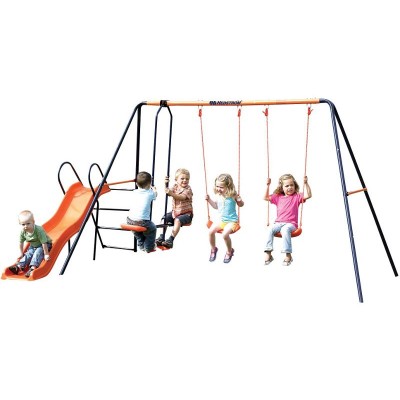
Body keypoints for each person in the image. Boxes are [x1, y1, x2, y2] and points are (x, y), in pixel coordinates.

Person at [263, 174, 312, 266]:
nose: (290, 187)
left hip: (291, 224)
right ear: (282, 187)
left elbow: (309, 195)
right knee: (270, 229)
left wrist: (306, 183)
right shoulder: (277, 197)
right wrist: (267, 185)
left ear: (295, 185)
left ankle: (288, 255)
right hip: (278, 223)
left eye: (292, 185)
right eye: (287, 186)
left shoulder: (297, 196)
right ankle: (268, 252)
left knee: (285, 230)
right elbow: (265, 197)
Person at [205, 173, 244, 263]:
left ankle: (229, 251)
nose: (219, 189)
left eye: (221, 187)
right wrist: (209, 200)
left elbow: (241, 205)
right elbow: (215, 206)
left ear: (228, 186)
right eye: (217, 186)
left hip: (232, 222)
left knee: (224, 234)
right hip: (222, 221)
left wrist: (239, 200)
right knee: (210, 232)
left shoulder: (233, 195)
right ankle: (213, 249)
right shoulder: (218, 196)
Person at [155, 168, 193, 249]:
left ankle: (170, 240)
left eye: (187, 179)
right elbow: (168, 192)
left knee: (178, 220)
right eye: (182, 178)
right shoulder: (175, 186)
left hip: (187, 214)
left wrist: (171, 193)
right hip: (175, 212)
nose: (185, 180)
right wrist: (166, 184)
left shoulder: (188, 189)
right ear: (176, 180)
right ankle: (161, 237)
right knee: (164, 218)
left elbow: (181, 197)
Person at [9, 210, 52, 278]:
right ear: (20, 223)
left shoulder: (39, 230)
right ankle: (19, 266)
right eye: (23, 224)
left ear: (33, 222)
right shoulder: (23, 232)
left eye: (28, 223)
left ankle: (33, 268)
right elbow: (21, 243)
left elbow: (44, 243)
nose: (26, 226)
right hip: (33, 245)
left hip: (45, 244)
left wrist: (46, 254)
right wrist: (21, 253)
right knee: (29, 253)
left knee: (37, 252)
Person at [126, 171, 158, 253]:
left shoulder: (134, 192)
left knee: (138, 233)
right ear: (149, 184)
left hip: (129, 220)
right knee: (152, 229)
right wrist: (154, 190)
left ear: (136, 184)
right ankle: (148, 247)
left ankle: (141, 246)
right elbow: (155, 195)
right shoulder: (150, 193)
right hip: (142, 222)